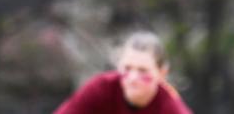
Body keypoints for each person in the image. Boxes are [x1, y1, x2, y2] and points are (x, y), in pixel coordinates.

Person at [54, 31, 192, 114]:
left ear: (162, 73)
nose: (132, 78)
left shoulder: (171, 108)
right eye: (127, 68)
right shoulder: (102, 87)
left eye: (143, 71)